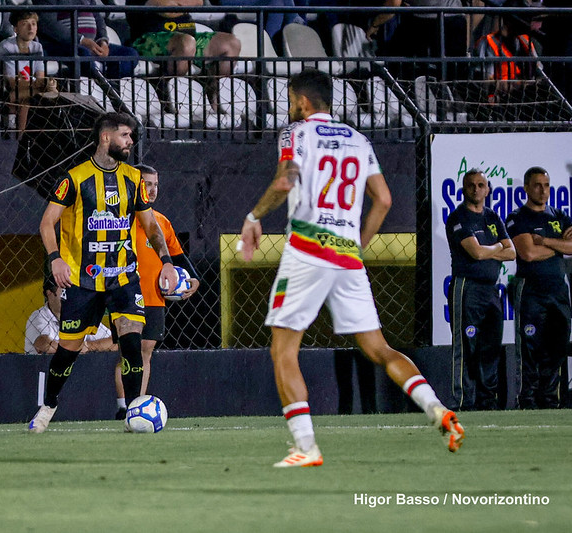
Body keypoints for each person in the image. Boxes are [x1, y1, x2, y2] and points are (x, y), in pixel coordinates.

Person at [239, 69, 465, 467]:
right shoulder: (359, 140)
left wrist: (253, 216)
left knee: (284, 350)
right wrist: (358, 244)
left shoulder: (296, 133)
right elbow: (383, 199)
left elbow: (285, 180)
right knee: (380, 348)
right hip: (346, 254)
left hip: (308, 248)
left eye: (292, 99)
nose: (291, 107)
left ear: (303, 102)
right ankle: (437, 409)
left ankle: (306, 447)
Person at [29, 112, 178, 433]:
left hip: (124, 277)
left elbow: (150, 225)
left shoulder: (133, 179)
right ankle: (49, 405)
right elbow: (46, 223)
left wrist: (166, 260)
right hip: (83, 281)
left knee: (131, 341)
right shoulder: (75, 178)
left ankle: (134, 411)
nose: (130, 142)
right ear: (106, 138)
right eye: (125, 135)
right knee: (68, 351)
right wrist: (55, 258)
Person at [110, 164, 200, 419]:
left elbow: (178, 256)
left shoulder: (161, 222)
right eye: (147, 184)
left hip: (155, 296)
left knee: (147, 349)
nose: (152, 189)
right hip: (124, 294)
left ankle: (137, 405)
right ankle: (122, 407)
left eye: (155, 185)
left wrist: (194, 279)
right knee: (129, 350)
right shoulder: (120, 218)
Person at [445, 169, 515, 411]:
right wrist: (497, 247)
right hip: (467, 287)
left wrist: (488, 249)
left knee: (490, 346)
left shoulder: (493, 218)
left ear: (488, 189)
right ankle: (463, 400)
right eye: (471, 185)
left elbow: (513, 252)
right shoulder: (457, 218)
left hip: (491, 290)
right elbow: (475, 253)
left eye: (480, 185)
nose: (476, 189)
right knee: (465, 345)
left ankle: (487, 401)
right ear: (464, 189)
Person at [505, 167, 572, 409]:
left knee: (557, 346)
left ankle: (550, 399)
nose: (543, 191)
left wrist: (545, 241)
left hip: (558, 291)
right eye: (537, 185)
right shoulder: (518, 217)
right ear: (526, 188)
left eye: (546, 185)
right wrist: (560, 245)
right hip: (531, 290)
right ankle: (527, 399)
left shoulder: (560, 216)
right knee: (530, 346)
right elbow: (528, 253)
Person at [125, 0, 241, 77]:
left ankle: (212, 91)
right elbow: (165, 7)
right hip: (149, 38)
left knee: (231, 43)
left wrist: (178, 3)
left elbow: (198, 2)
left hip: (188, 36)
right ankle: (169, 92)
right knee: (186, 44)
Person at [35, 0, 140, 79]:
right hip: (62, 44)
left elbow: (99, 19)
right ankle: (104, 86)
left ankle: (108, 86)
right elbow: (48, 24)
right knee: (82, 53)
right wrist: (81, 40)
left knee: (130, 54)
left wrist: (103, 42)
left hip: (92, 44)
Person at [0, 11, 57, 135]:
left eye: (33, 24)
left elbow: (40, 78)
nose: (31, 28)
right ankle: (20, 140)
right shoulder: (7, 47)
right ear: (15, 28)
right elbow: (11, 83)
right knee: (25, 99)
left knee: (51, 92)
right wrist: (43, 84)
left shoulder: (37, 47)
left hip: (25, 89)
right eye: (25, 24)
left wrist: (47, 84)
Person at [25, 275, 117, 355]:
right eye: (65, 290)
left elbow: (115, 343)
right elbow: (45, 346)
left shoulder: (79, 314)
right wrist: (78, 348)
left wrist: (87, 346)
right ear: (49, 292)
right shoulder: (40, 316)